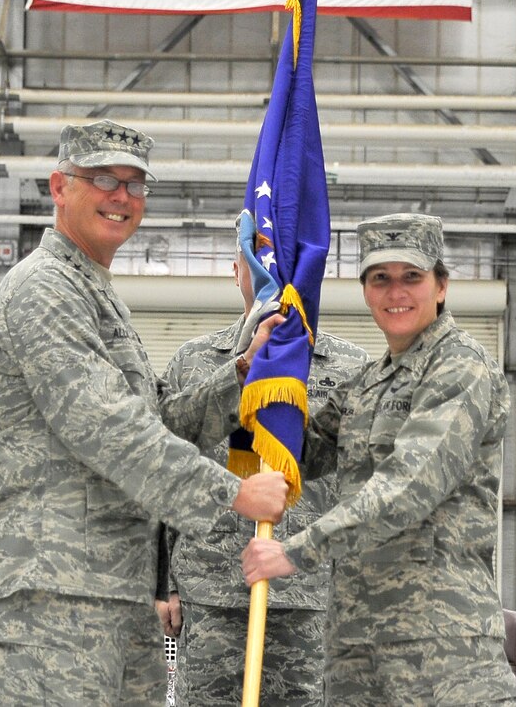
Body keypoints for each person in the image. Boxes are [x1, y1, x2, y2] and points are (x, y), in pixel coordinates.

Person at [0, 119, 288, 706]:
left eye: (135, 185)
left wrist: (239, 375)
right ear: (59, 187)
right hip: (57, 594)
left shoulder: (94, 291)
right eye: (103, 180)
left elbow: (153, 420)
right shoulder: (44, 290)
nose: (121, 197)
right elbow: (106, 428)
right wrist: (233, 493)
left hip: (118, 589)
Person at [242, 213, 516, 706]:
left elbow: (408, 486)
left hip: (442, 652)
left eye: (411, 276)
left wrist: (294, 552)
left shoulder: (462, 367)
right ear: (366, 292)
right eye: (380, 279)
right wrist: (258, 367)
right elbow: (291, 453)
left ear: (441, 286)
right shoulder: (366, 383)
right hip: (355, 649)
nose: (396, 293)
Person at [157, 220, 369, 706]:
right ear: (237, 272)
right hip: (211, 591)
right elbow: (161, 471)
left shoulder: (350, 369)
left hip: (310, 594)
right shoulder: (194, 364)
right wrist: (163, 580)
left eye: (282, 259)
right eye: (258, 260)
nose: (271, 273)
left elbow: (365, 486)